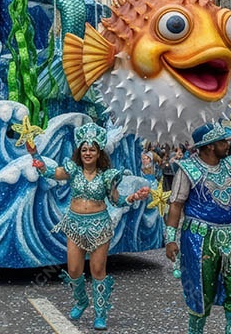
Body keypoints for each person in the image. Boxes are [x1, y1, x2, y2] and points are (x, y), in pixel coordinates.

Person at [28, 123, 149, 329]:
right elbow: (50, 172)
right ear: (79, 152)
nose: (87, 153)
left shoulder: (107, 176)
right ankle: (82, 301)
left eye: (92, 149)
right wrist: (35, 155)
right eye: (84, 149)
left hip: (99, 225)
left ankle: (100, 314)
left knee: (97, 270)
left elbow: (116, 201)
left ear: (98, 152)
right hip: (74, 224)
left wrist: (133, 197)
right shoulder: (73, 170)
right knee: (74, 270)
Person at [165, 122, 231, 334]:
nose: (227, 145)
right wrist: (170, 239)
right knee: (201, 292)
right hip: (200, 239)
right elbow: (176, 204)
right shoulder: (188, 169)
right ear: (210, 146)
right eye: (222, 141)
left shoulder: (230, 165)